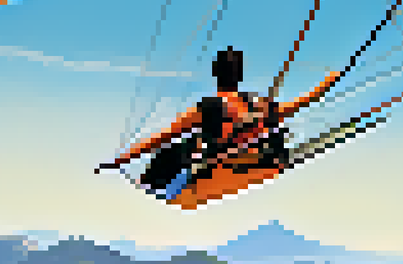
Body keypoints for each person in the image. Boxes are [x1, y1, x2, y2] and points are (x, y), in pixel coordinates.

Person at [96, 47, 343, 200]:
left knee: (173, 149)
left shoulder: (209, 108)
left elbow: (161, 137)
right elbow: (301, 104)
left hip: (222, 159)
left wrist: (121, 160)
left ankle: (149, 183)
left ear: (216, 74)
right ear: (240, 76)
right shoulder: (258, 104)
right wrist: (329, 82)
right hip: (254, 153)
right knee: (195, 142)